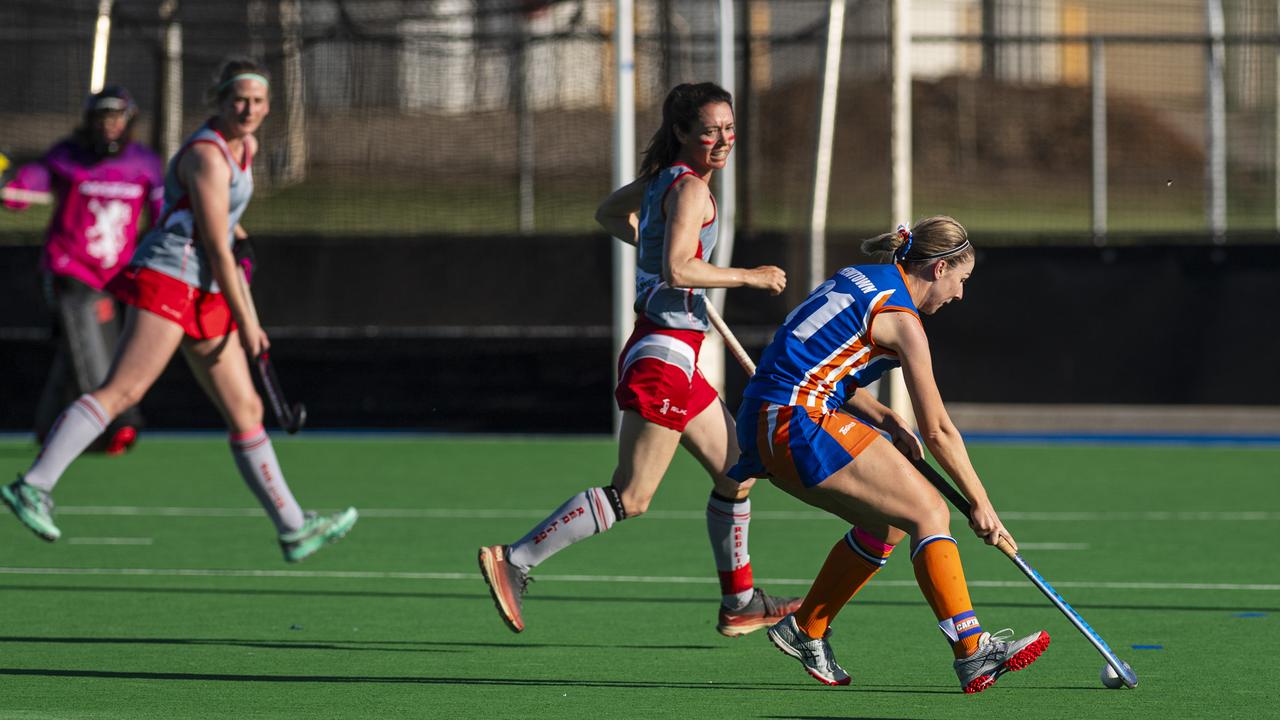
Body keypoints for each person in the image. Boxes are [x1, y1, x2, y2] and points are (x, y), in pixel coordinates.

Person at [1, 59, 358, 563]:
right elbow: (212, 244)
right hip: (171, 278)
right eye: (240, 99)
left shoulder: (247, 147)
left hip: (206, 285)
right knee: (124, 389)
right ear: (219, 99)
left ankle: (294, 527)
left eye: (258, 101)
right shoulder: (206, 156)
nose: (249, 109)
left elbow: (222, 227)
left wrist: (242, 240)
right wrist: (250, 323)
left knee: (247, 410)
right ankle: (33, 485)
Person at [478, 82, 796, 636]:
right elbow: (679, 270)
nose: (722, 140)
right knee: (633, 494)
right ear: (681, 133)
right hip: (665, 355)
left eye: (727, 128)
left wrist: (652, 251)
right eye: (709, 131)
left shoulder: (661, 182)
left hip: (674, 354)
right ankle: (515, 560)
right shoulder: (692, 189)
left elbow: (608, 214)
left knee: (738, 468)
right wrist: (748, 275)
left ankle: (740, 602)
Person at [730, 217, 1050, 693]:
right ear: (939, 269)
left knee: (890, 522)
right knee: (929, 510)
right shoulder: (903, 321)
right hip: (794, 420)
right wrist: (982, 504)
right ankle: (972, 650)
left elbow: (823, 361)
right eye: (962, 281)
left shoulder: (859, 277)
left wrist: (885, 416)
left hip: (763, 420)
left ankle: (807, 627)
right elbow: (939, 431)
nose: (960, 295)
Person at [2, 86, 163, 455]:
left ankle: (49, 427)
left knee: (78, 349)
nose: (109, 126)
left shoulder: (144, 164)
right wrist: (10, 188)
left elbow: (160, 216)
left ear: (128, 122)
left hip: (114, 276)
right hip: (69, 269)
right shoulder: (67, 156)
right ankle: (118, 421)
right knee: (90, 346)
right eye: (102, 118)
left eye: (116, 118)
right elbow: (30, 185)